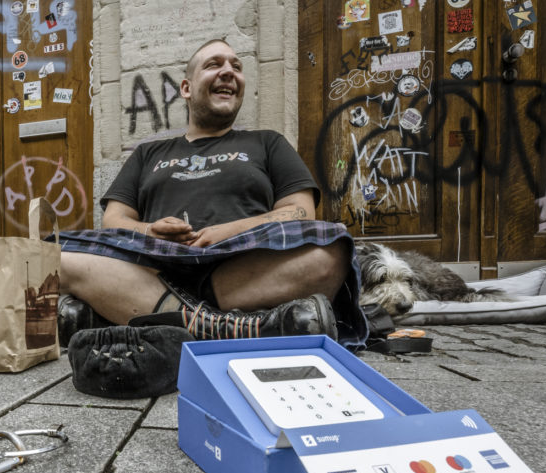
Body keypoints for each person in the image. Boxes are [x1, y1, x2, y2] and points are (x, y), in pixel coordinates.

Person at [56, 39, 368, 349]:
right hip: (156, 270)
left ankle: (157, 319)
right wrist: (150, 231)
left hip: (241, 271)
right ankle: (237, 328)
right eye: (214, 64)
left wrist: (228, 231)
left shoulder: (268, 143)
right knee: (56, 258)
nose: (229, 72)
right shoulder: (147, 153)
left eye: (236, 66)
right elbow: (114, 220)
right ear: (187, 88)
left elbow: (300, 211)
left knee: (331, 250)